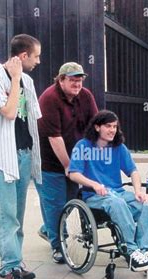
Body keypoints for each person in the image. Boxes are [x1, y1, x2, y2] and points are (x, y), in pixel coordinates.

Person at [0, 34, 42, 279]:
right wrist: (15, 79)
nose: (39, 61)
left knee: (17, 215)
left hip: (24, 154)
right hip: (4, 157)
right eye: (36, 56)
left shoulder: (28, 81)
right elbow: (7, 112)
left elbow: (33, 118)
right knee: (6, 217)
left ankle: (15, 260)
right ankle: (10, 271)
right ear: (23, 56)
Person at [69, 110, 148, 272]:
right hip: (94, 196)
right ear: (97, 127)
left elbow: (133, 171)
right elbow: (73, 174)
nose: (112, 130)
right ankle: (130, 249)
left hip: (117, 193)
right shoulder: (83, 146)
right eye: (108, 126)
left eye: (115, 126)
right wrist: (94, 184)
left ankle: (147, 248)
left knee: (145, 203)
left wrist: (138, 191)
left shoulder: (118, 147)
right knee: (117, 202)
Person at [35, 62, 98, 263]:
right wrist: (68, 166)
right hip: (49, 163)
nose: (77, 84)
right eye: (72, 80)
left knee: (70, 203)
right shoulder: (49, 99)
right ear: (61, 79)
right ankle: (58, 246)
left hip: (75, 160)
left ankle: (48, 229)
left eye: (79, 80)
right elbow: (55, 138)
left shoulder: (86, 96)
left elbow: (95, 126)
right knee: (55, 205)